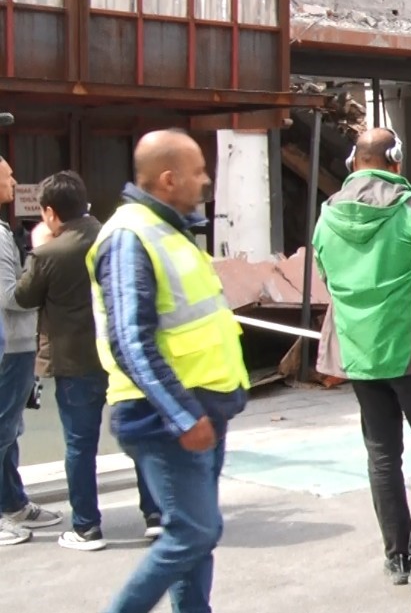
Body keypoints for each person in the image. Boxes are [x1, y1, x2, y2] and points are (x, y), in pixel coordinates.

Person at [89, 129, 249, 613]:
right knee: (193, 532)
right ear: (167, 179)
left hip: (198, 408)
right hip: (164, 416)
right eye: (197, 171)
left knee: (196, 536)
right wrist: (182, 415)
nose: (205, 180)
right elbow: (129, 341)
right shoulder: (128, 236)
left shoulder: (169, 229)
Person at [312, 127, 411, 587]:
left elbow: (325, 273)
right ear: (395, 160)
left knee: (382, 455)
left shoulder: (327, 215)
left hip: (360, 356)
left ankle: (396, 557)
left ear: (353, 162)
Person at [16, 171, 163, 551]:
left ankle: (87, 527)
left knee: (80, 446)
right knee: (139, 436)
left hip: (75, 362)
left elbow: (23, 297)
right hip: (123, 358)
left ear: (50, 213)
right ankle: (155, 516)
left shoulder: (48, 254)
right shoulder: (115, 238)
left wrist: (38, 245)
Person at [0, 155, 62, 546]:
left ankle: (13, 503)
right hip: (10, 345)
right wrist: (40, 264)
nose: (14, 180)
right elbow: (9, 296)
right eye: (7, 175)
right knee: (2, 430)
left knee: (9, 430)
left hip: (16, 344)